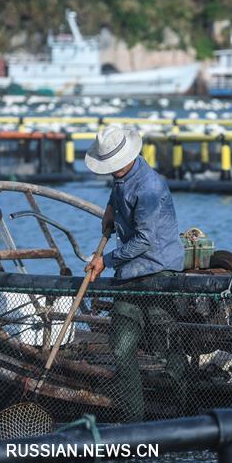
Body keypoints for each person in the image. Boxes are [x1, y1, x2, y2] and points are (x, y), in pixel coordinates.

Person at [84, 125, 186, 422]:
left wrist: (105, 260)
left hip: (158, 272)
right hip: (130, 274)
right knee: (121, 347)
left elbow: (145, 240)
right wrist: (109, 210)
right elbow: (118, 199)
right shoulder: (121, 179)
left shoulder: (149, 187)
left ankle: (185, 408)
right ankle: (134, 419)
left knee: (164, 347)